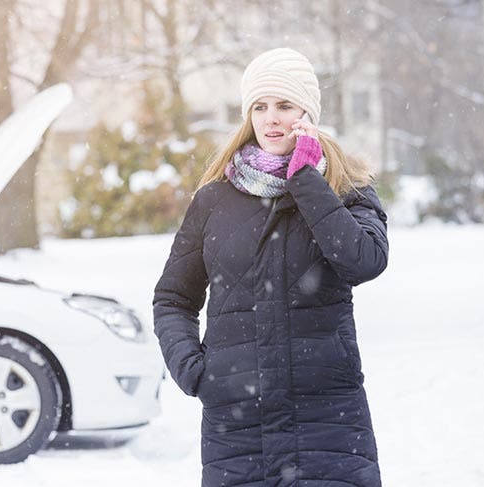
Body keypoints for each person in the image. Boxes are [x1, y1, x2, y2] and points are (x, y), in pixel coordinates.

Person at [153, 47, 388, 487]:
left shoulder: (347, 188)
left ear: (307, 113)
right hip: (238, 426)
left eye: (284, 105)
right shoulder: (214, 199)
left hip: (328, 417)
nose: (271, 118)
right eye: (259, 107)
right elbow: (173, 298)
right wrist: (195, 370)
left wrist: (307, 181)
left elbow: (364, 261)